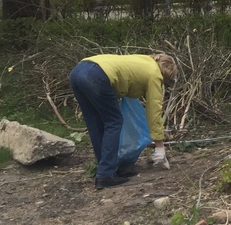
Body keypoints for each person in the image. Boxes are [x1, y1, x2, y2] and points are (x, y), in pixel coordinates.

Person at [68, 53, 177, 189]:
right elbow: (154, 112)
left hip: (78, 70)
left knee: (95, 123)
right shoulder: (155, 75)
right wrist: (159, 147)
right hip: (96, 76)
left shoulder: (141, 60)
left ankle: (106, 169)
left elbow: (124, 79)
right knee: (114, 122)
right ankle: (106, 174)